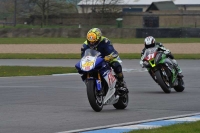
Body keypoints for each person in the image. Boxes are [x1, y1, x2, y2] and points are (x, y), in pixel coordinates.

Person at [80, 28, 128, 94]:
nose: (91, 43)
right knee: (82, 70)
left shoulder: (105, 41)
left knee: (116, 66)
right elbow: (83, 57)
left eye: (94, 41)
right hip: (94, 60)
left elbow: (113, 52)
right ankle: (89, 84)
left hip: (107, 58)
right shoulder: (85, 45)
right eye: (90, 41)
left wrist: (109, 56)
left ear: (99, 38)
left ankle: (121, 82)